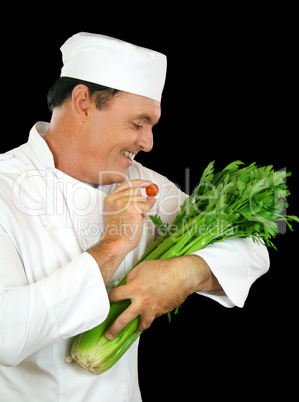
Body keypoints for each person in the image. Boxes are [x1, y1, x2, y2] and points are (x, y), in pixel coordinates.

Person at [0, 32, 270, 401]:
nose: (148, 142)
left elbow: (250, 241)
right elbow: (6, 333)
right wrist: (112, 246)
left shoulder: (144, 184)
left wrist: (185, 272)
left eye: (152, 126)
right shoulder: (5, 187)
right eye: (138, 123)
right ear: (83, 103)